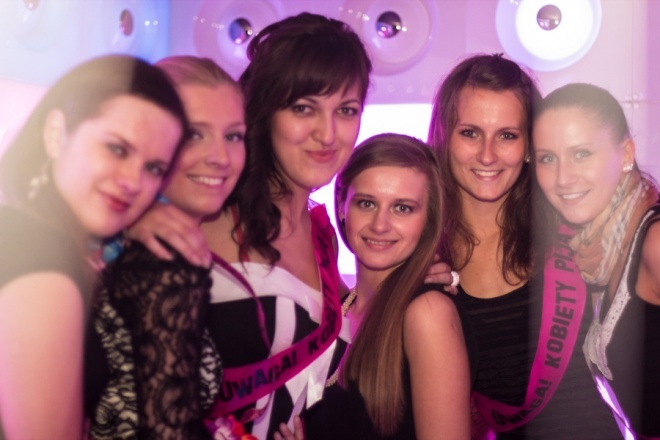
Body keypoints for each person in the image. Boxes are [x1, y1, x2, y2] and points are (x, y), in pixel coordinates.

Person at [428, 54, 620, 439]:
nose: (487, 154)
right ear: (444, 138)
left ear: (531, 145)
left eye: (507, 135)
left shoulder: (581, 231)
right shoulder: (426, 259)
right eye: (470, 133)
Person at [0, 54, 187, 440]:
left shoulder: (22, 230)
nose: (133, 181)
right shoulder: (42, 258)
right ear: (56, 133)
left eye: (153, 168)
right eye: (117, 149)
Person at [84, 56, 245, 439]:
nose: (220, 158)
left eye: (234, 136)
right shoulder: (161, 258)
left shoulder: (125, 238)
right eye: (193, 134)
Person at [298, 133, 473, 439]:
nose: (380, 225)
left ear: (429, 219)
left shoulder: (427, 313)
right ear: (341, 206)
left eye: (402, 208)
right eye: (366, 203)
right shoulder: (344, 306)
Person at [533, 82, 660, 439]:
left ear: (626, 154)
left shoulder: (654, 241)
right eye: (547, 158)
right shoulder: (597, 250)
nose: (562, 178)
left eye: (582, 153)